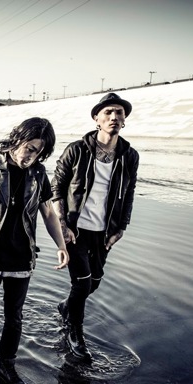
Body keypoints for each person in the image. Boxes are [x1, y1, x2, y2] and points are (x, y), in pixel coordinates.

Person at [0, 117, 69, 384]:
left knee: (14, 317)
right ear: (17, 139)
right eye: (29, 148)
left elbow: (48, 212)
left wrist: (61, 245)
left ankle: (6, 368)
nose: (31, 156)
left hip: (21, 257)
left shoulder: (38, 174)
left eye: (38, 152)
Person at [52, 93, 139, 362]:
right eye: (108, 112)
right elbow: (56, 187)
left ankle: (66, 307)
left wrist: (121, 227)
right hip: (75, 229)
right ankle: (75, 333)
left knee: (95, 282)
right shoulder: (77, 150)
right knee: (81, 283)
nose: (114, 117)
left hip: (104, 231)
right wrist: (62, 224)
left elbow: (129, 192)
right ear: (96, 119)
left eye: (119, 113)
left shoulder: (129, 155)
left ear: (124, 120)